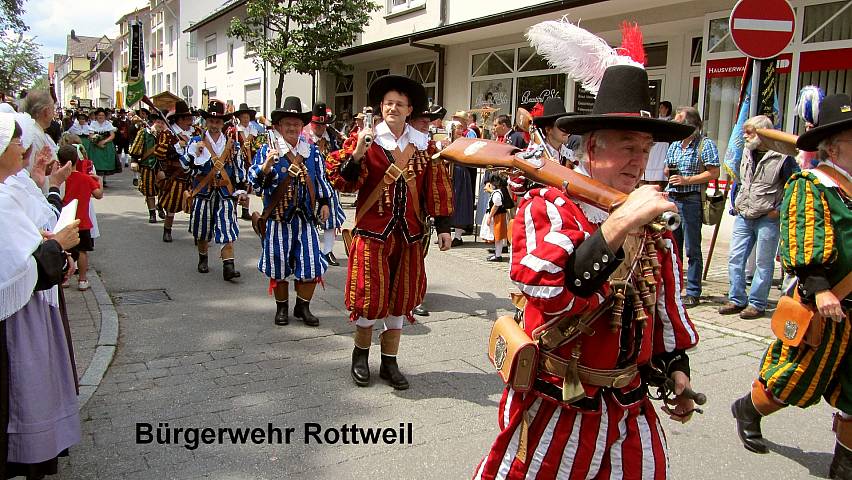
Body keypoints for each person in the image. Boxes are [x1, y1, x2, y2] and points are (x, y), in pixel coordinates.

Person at [474, 64, 699, 479]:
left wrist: (676, 370)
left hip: (630, 404)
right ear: (592, 148)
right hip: (559, 405)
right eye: (628, 146)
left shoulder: (652, 226)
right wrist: (618, 225)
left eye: (646, 149)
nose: (639, 161)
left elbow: (665, 310)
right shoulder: (548, 206)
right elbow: (555, 291)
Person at [731, 93, 852, 479]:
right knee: (794, 380)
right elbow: (800, 237)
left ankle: (844, 463)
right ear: (833, 147)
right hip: (826, 306)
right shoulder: (811, 183)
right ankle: (748, 408)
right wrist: (820, 289)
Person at [327, 74, 454, 390]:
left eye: (400, 103)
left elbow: (435, 188)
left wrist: (444, 227)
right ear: (380, 108)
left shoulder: (423, 145)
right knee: (369, 299)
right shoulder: (364, 139)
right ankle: (360, 357)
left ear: (410, 109)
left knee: (401, 300)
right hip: (372, 234)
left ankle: (389, 363)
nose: (393, 108)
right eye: (388, 103)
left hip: (409, 236)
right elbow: (342, 181)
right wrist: (356, 155)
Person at [0, 113, 82, 478]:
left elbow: (31, 237)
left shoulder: (12, 188)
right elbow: (15, 266)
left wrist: (51, 242)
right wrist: (57, 244)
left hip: (31, 299)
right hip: (15, 314)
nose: (25, 150)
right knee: (21, 390)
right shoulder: (6, 195)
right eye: (19, 143)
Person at [249, 97, 332, 327]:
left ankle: (302, 307)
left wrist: (324, 203)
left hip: (305, 219)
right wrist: (265, 168)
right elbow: (255, 185)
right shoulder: (268, 150)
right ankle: (282, 308)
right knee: (278, 266)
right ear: (278, 126)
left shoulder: (312, 152)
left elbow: (322, 181)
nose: (292, 128)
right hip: (278, 220)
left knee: (312, 263)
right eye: (288, 124)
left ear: (302, 126)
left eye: (296, 123)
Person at [720, 115, 799, 319]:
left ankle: (757, 303)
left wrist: (779, 209)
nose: (745, 136)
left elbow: (795, 186)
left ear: (763, 133)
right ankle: (737, 298)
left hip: (768, 217)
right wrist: (736, 202)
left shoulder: (783, 157)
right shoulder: (747, 151)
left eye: (749, 132)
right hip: (744, 214)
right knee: (735, 259)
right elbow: (740, 179)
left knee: (763, 263)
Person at [183, 100, 248, 281]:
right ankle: (203, 258)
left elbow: (239, 169)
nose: (214, 125)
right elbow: (185, 168)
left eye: (218, 122)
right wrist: (194, 153)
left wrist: (241, 190)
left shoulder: (232, 145)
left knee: (227, 228)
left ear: (223, 123)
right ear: (206, 122)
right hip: (203, 192)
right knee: (203, 229)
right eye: (211, 121)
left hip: (225, 193)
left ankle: (229, 266)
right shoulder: (196, 142)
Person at [665, 106, 720, 307]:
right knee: (673, 246)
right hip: (673, 198)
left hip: (691, 199)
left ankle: (694, 290)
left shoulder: (704, 145)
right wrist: (669, 173)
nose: (675, 125)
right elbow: (667, 168)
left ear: (691, 125)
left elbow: (714, 172)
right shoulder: (675, 144)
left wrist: (687, 179)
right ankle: (675, 287)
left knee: (692, 248)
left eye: (679, 121)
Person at [302, 101, 346, 267]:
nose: (321, 127)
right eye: (317, 124)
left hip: (329, 183)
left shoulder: (333, 137)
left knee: (332, 218)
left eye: (323, 124)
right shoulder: (304, 138)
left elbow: (342, 155)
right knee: (308, 217)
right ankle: (310, 249)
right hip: (308, 183)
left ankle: (327, 251)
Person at [57, 145, 102, 291]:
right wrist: (99, 182)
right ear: (77, 159)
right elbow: (98, 195)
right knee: (82, 251)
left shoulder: (59, 178)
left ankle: (64, 278)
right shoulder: (85, 178)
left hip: (63, 221)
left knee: (64, 249)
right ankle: (82, 280)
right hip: (82, 221)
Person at [155, 101, 195, 243]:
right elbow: (159, 152)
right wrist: (176, 146)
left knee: (195, 205)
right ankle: (167, 229)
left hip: (193, 174)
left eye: (190, 119)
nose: (190, 122)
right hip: (175, 173)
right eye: (188, 119)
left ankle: (197, 233)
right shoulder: (167, 133)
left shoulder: (195, 133)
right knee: (171, 205)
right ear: (180, 119)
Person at [130, 110, 167, 223]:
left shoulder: (167, 135)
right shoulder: (144, 133)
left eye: (162, 123)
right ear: (153, 122)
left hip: (163, 166)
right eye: (158, 122)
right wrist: (134, 160)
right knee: (149, 190)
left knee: (164, 189)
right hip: (148, 165)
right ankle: (152, 213)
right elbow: (136, 148)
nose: (160, 125)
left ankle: (160, 206)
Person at [447, 120, 475, 247]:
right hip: (448, 173)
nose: (459, 131)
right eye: (456, 128)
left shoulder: (464, 142)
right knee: (447, 204)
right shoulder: (446, 142)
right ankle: (445, 234)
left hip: (460, 173)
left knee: (460, 203)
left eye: (460, 128)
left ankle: (458, 236)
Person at [231, 102, 260, 221]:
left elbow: (254, 142)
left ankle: (245, 210)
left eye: (247, 117)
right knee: (236, 183)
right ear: (239, 118)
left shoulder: (253, 129)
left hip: (250, 160)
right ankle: (232, 209)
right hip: (237, 160)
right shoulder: (235, 131)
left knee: (248, 184)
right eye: (244, 117)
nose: (246, 119)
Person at [483, 173, 512, 262]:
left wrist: (490, 216)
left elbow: (496, 205)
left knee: (498, 236)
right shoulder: (500, 191)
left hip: (497, 217)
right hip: (499, 216)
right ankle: (497, 253)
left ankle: (498, 255)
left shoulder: (497, 193)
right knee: (498, 236)